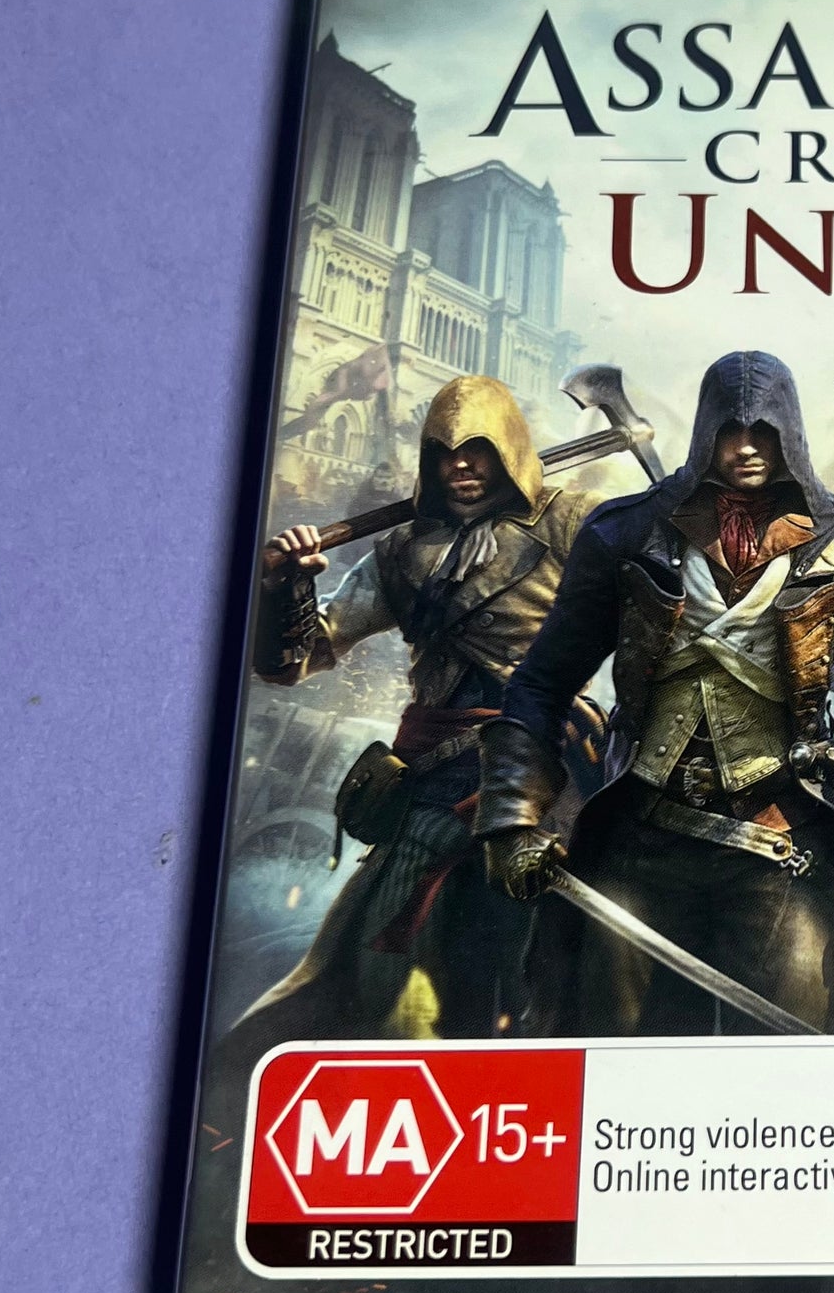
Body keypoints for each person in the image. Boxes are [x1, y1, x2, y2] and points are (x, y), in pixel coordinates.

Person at [473, 350, 834, 1040]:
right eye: (731, 430)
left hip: (781, 847)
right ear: (707, 432)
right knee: (609, 1049)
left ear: (789, 432)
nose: (746, 447)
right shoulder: (622, 534)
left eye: (764, 430)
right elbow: (542, 683)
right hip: (640, 842)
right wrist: (511, 818)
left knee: (790, 1054)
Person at [231, 374, 603, 1050]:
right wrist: (286, 584)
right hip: (434, 772)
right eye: (444, 452)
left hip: (546, 765)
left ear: (508, 449)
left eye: (477, 449)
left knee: (562, 942)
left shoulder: (573, 522)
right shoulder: (401, 550)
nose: (461, 466)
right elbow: (293, 660)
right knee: (371, 944)